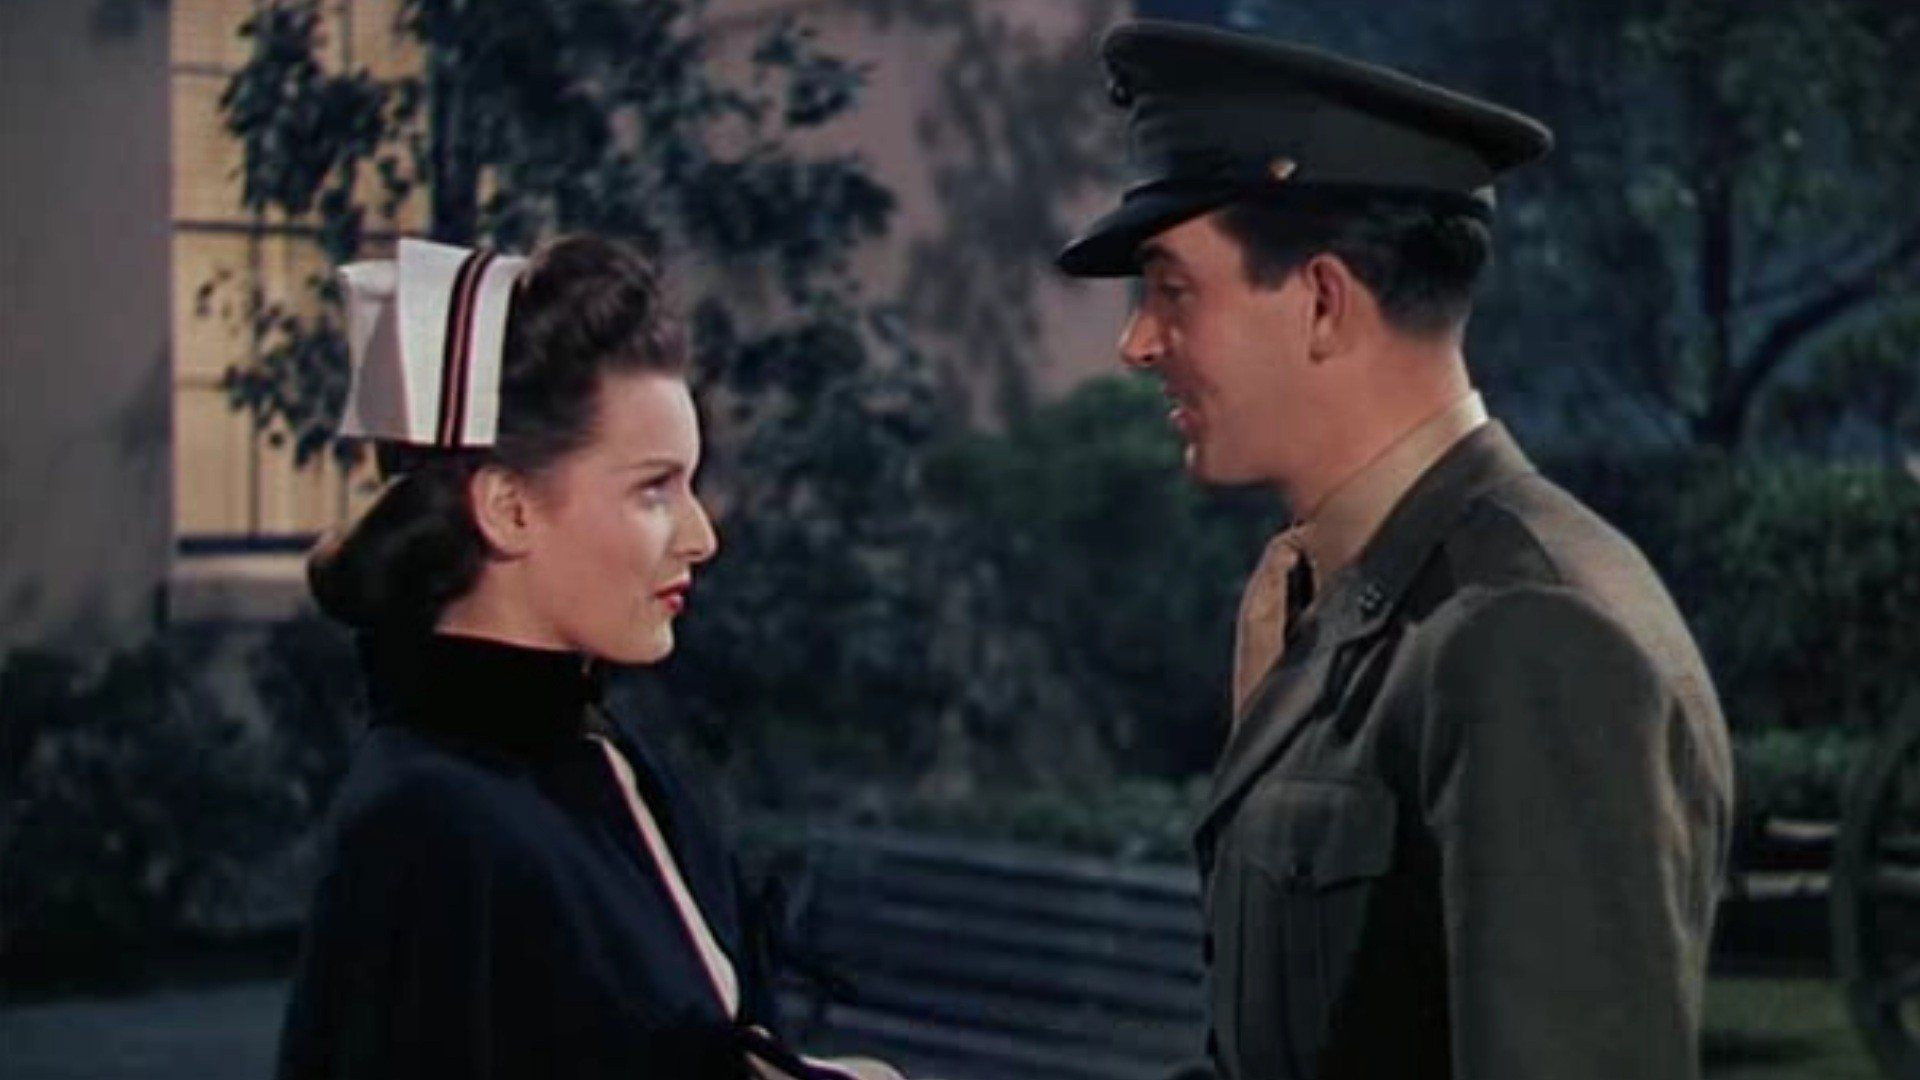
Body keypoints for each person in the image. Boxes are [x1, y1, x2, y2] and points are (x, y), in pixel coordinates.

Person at [1056, 21, 1734, 1080]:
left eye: (1171, 289)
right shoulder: (1345, 592)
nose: (1137, 342)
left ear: (1324, 301)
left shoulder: (1526, 631)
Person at [276, 235, 900, 1080]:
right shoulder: (430, 823)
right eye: (654, 489)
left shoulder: (607, 763)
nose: (701, 536)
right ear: (509, 508)